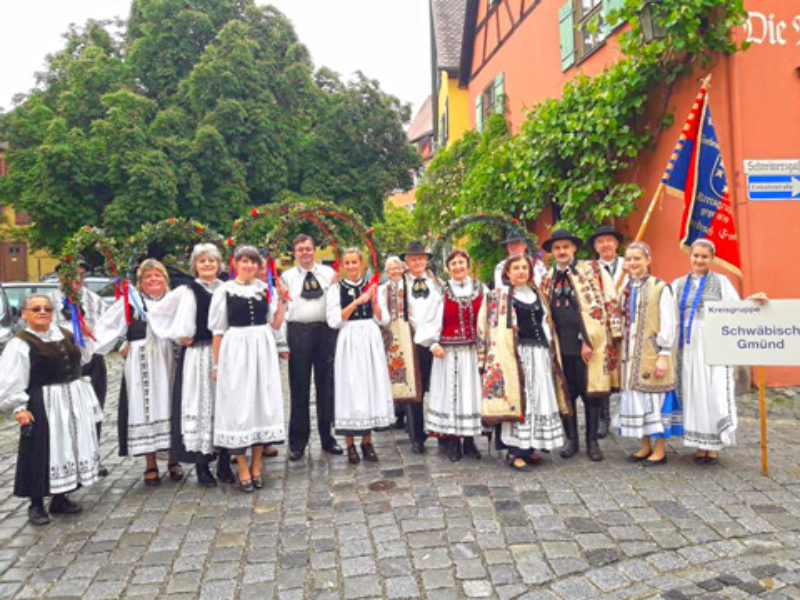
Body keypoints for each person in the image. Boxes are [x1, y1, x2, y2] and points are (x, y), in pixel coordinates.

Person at [0, 294, 102, 525]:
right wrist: (19, 407)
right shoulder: (21, 343)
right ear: (24, 314)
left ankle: (60, 497)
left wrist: (84, 336)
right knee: (40, 448)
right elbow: (11, 379)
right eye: (35, 309)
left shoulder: (64, 333)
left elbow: (84, 359)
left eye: (47, 308)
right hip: (43, 400)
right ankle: (35, 504)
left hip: (71, 399)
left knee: (66, 447)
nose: (42, 312)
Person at [147, 244, 236, 487]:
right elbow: (157, 312)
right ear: (195, 266)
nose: (208, 265)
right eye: (202, 261)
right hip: (199, 353)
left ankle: (225, 462)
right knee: (202, 405)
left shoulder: (228, 288)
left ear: (219, 265)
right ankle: (202, 465)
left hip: (226, 352)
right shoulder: (187, 291)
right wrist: (178, 335)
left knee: (225, 405)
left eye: (212, 261)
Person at [671, 238, 766, 464]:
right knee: (694, 391)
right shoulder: (678, 284)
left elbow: (733, 308)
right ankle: (699, 444)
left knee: (713, 392)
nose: (699, 260)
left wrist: (752, 302)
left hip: (713, 341)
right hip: (688, 345)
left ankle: (713, 445)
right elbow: (669, 314)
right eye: (696, 255)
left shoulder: (721, 282)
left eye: (704, 256)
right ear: (690, 256)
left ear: (711, 259)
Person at [95, 259, 181, 486]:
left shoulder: (174, 300)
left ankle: (174, 460)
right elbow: (106, 328)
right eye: (147, 277)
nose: (153, 280)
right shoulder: (131, 302)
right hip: (142, 361)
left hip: (169, 358)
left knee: (172, 404)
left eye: (158, 275)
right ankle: (150, 463)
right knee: (145, 408)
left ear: (165, 279)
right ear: (140, 282)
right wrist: (119, 345)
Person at [209, 245, 289, 491]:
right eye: (244, 262)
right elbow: (218, 331)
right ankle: (242, 466)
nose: (249, 266)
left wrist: (284, 301)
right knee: (238, 406)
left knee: (260, 405)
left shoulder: (265, 289)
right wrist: (217, 364)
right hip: (236, 350)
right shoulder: (225, 291)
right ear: (235, 264)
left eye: (253, 262)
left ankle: (256, 465)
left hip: (262, 349)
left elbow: (275, 324)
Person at [480, 255, 570, 471]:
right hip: (515, 354)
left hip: (539, 353)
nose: (520, 271)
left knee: (538, 397)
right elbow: (485, 327)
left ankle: (530, 447)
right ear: (507, 273)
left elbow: (546, 323)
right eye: (516, 268)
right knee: (519, 398)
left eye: (524, 268)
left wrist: (550, 350)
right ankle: (514, 451)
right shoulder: (498, 296)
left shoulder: (538, 294)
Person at [541, 229, 621, 462]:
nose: (562, 251)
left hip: (589, 345)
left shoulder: (593, 271)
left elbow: (609, 300)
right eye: (557, 248)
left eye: (565, 247)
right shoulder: (547, 278)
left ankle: (592, 443)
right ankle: (572, 440)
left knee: (591, 394)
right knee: (567, 394)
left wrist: (591, 340)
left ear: (574, 248)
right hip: (560, 345)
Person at [614, 242, 681, 467]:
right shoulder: (625, 289)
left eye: (638, 259)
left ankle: (659, 449)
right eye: (629, 259)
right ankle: (644, 446)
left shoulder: (660, 287)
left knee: (655, 399)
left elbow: (668, 323)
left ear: (648, 260)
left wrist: (663, 353)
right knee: (636, 400)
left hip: (652, 353)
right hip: (631, 355)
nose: (633, 263)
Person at [416, 250, 485, 462]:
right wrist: (432, 343)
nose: (457, 267)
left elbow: (488, 317)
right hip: (448, 352)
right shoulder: (440, 291)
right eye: (453, 263)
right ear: (448, 267)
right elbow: (426, 320)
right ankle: (453, 441)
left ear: (468, 264)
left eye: (461, 262)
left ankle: (470, 441)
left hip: (473, 351)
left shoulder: (482, 288)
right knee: (451, 396)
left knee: (471, 395)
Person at [326, 248, 393, 463]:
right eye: (347, 263)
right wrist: (356, 302)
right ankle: (350, 444)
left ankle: (367, 441)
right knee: (350, 387)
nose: (352, 267)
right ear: (343, 266)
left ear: (362, 264)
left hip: (370, 337)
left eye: (355, 262)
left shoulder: (374, 287)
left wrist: (373, 302)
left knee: (369, 386)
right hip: (349, 337)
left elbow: (384, 319)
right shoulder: (336, 289)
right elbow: (334, 321)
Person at [280, 234, 342, 461]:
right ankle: (297, 442)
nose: (305, 253)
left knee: (326, 386)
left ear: (314, 250)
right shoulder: (286, 277)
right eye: (300, 250)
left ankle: (328, 438)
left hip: (325, 332)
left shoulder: (327, 274)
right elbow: (282, 307)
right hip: (298, 332)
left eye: (308, 249)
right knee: (299, 387)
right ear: (294, 253)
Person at [52, 259, 110, 477]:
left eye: (81, 275)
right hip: (64, 363)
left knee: (95, 409)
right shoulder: (51, 301)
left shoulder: (93, 299)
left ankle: (93, 457)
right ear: (61, 276)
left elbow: (109, 326)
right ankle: (70, 459)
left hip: (92, 359)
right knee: (68, 413)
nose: (76, 279)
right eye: (71, 274)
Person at [402, 241, 442, 454]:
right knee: (415, 391)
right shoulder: (400, 285)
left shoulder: (438, 283)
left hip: (435, 342)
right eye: (412, 259)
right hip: (412, 342)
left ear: (426, 261)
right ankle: (417, 436)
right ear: (407, 262)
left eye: (420, 258)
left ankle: (442, 432)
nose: (417, 262)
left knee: (438, 387)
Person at [379, 255, 415, 430]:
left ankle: (410, 415)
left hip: (408, 333)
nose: (395, 271)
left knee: (410, 373)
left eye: (398, 268)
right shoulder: (382, 290)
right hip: (390, 334)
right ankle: (395, 414)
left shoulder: (410, 286)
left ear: (403, 269)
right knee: (391, 373)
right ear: (387, 272)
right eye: (391, 268)